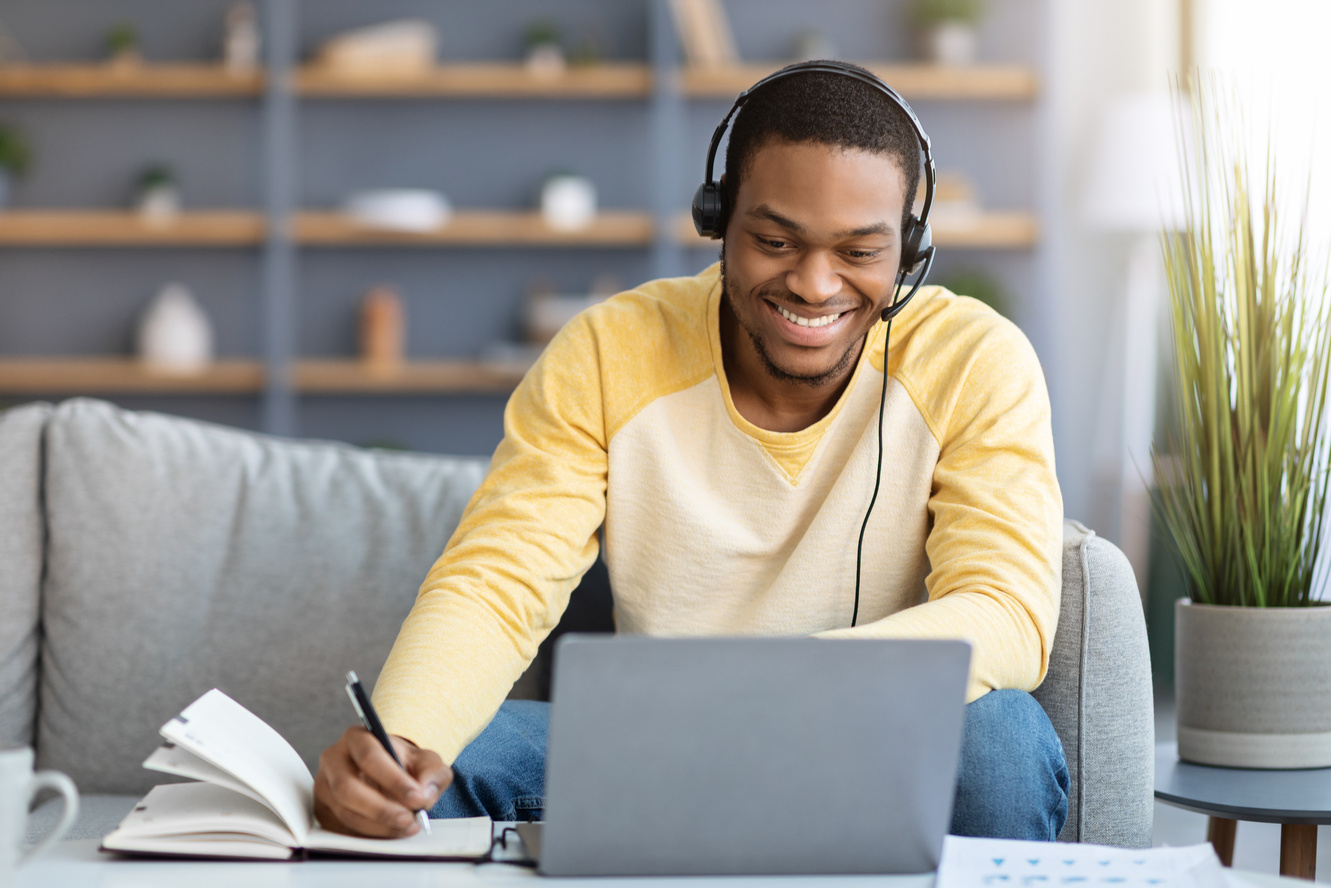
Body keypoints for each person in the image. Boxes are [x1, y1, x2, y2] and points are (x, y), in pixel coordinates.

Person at [313, 62, 1067, 842]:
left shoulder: (974, 360)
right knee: (448, 764)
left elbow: (1006, 610)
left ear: (910, 249)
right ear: (718, 219)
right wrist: (396, 746)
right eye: (774, 240)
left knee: (1001, 737)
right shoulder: (609, 352)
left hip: (880, 743)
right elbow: (498, 582)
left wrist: (761, 689)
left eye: (858, 252)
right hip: (661, 749)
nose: (813, 284)